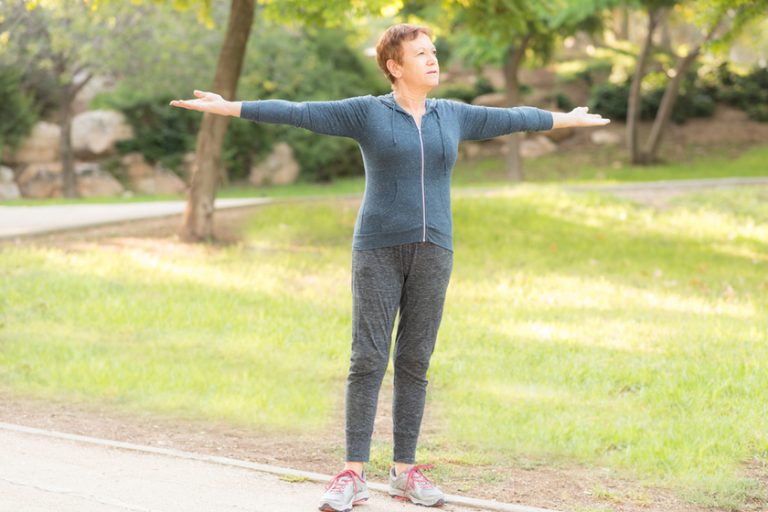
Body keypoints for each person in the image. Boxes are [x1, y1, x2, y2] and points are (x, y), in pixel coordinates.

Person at [171, 22, 609, 512]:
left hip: (435, 250)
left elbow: (512, 118)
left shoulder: (454, 116)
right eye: (420, 53)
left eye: (433, 51)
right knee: (368, 358)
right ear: (394, 67)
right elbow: (297, 113)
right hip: (378, 249)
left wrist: (566, 119)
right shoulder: (366, 113)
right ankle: (352, 473)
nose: (432, 59)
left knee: (415, 360)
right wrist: (228, 106)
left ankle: (404, 471)